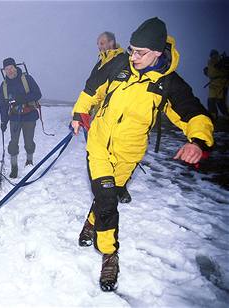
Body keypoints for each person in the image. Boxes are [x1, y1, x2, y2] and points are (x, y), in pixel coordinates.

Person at [70, 17, 214, 292]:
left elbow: (194, 113)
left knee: (107, 196)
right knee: (107, 198)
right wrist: (80, 112)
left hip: (129, 152)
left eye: (140, 52)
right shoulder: (119, 64)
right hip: (99, 144)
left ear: (158, 52)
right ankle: (110, 254)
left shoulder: (168, 84)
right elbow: (92, 88)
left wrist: (198, 141)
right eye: (132, 49)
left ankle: (91, 223)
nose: (132, 56)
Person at [92, 33, 132, 203]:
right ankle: (105, 189)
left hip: (121, 116)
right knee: (102, 154)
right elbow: (92, 87)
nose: (100, 46)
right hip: (102, 116)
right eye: (98, 44)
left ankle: (121, 187)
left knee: (121, 153)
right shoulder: (99, 63)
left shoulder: (124, 59)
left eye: (102, 42)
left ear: (112, 42)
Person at [0, 57, 42, 178]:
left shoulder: (27, 79)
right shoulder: (4, 85)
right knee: (13, 143)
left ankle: (29, 161)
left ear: (15, 67)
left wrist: (23, 99)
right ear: (4, 71)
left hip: (29, 116)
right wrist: (3, 121)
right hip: (14, 118)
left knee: (29, 142)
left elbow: (38, 93)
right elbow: (3, 105)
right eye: (7, 69)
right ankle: (14, 167)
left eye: (11, 68)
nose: (10, 71)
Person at [204, 49, 229, 121]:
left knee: (221, 102)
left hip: (222, 84)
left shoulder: (222, 61)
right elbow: (211, 72)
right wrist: (206, 72)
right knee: (211, 100)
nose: (213, 56)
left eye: (215, 54)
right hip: (213, 84)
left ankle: (226, 115)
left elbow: (224, 70)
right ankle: (213, 116)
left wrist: (222, 64)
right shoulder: (211, 62)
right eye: (212, 55)